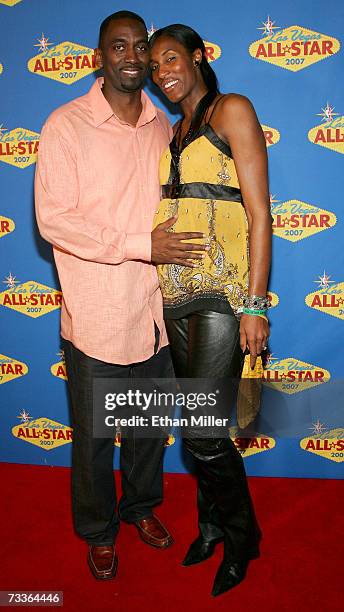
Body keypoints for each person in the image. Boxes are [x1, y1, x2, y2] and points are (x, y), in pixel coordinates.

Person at [35, 11, 208, 581]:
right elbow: (55, 221)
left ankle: (140, 509)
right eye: (120, 46)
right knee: (92, 442)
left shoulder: (164, 127)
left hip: (154, 313)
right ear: (99, 56)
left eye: (141, 47)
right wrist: (141, 244)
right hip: (97, 315)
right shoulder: (66, 125)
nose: (133, 57)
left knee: (146, 432)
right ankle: (97, 530)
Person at [149, 24, 272, 597]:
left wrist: (254, 303)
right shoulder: (174, 131)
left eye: (171, 58)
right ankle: (210, 527)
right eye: (155, 66)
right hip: (175, 296)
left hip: (223, 294)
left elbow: (259, 213)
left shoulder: (232, 110)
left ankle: (243, 539)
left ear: (198, 57)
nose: (162, 71)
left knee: (200, 432)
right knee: (204, 425)